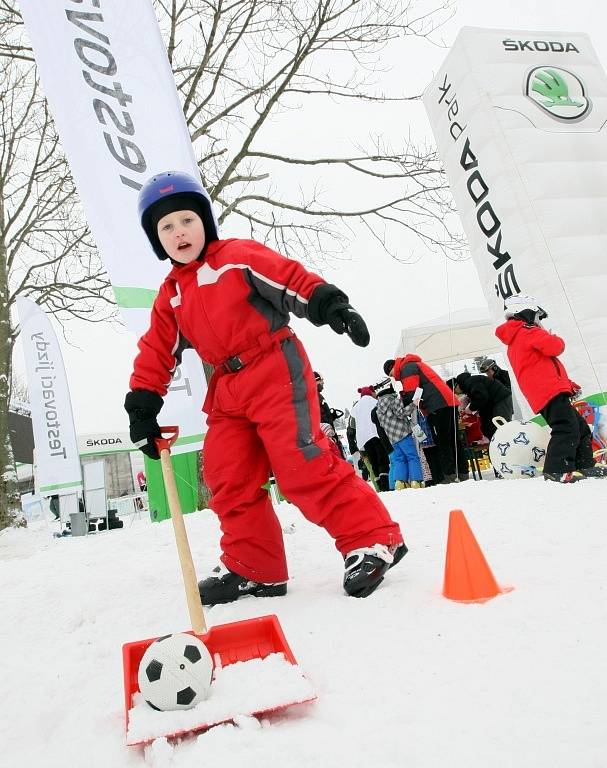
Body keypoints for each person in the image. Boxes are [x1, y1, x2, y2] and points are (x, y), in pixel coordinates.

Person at [124, 170, 406, 601]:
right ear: (156, 239)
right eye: (166, 227)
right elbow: (156, 352)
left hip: (274, 366)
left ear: (204, 222)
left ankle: (372, 539)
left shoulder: (235, 257)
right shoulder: (171, 297)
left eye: (187, 220)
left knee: (301, 462)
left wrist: (330, 305)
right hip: (227, 387)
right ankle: (256, 567)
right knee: (228, 475)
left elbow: (288, 278)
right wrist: (142, 406)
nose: (179, 232)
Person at [495, 294, 605, 483]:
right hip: (548, 391)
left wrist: (568, 385)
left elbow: (541, 366)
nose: (539, 321)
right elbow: (555, 347)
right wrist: (549, 334)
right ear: (527, 313)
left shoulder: (517, 337)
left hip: (544, 391)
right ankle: (556, 469)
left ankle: (585, 465)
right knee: (566, 427)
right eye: (537, 316)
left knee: (579, 428)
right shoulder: (528, 332)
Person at [384, 356, 469, 483]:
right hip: (447, 401)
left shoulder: (407, 368)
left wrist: (403, 400)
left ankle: (449, 475)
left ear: (392, 367)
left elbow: (412, 392)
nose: (395, 378)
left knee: (442, 440)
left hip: (437, 404)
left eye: (391, 374)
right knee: (453, 439)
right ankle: (463, 472)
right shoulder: (413, 364)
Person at [372, 379, 424, 489]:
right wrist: (413, 404)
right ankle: (416, 480)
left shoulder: (377, 408)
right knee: (412, 457)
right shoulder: (393, 400)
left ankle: (400, 482)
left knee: (399, 459)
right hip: (403, 433)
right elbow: (401, 413)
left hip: (391, 438)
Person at [351, 386, 391, 491]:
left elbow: (353, 416)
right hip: (376, 434)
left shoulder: (356, 406)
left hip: (364, 438)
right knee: (382, 458)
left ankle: (379, 484)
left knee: (373, 461)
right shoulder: (374, 401)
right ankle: (385, 484)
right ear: (370, 392)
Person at [454, 371, 513, 440]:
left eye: (454, 391)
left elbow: (482, 397)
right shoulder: (470, 383)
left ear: (457, 385)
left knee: (500, 423)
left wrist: (471, 408)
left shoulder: (470, 382)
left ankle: (510, 441)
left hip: (501, 399)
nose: (456, 394)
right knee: (491, 425)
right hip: (496, 401)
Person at [314, 371, 345, 458]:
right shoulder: (314, 396)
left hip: (328, 435)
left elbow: (322, 414)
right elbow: (318, 417)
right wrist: (329, 435)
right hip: (326, 436)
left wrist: (331, 416)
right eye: (320, 380)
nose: (323, 382)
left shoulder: (318, 396)